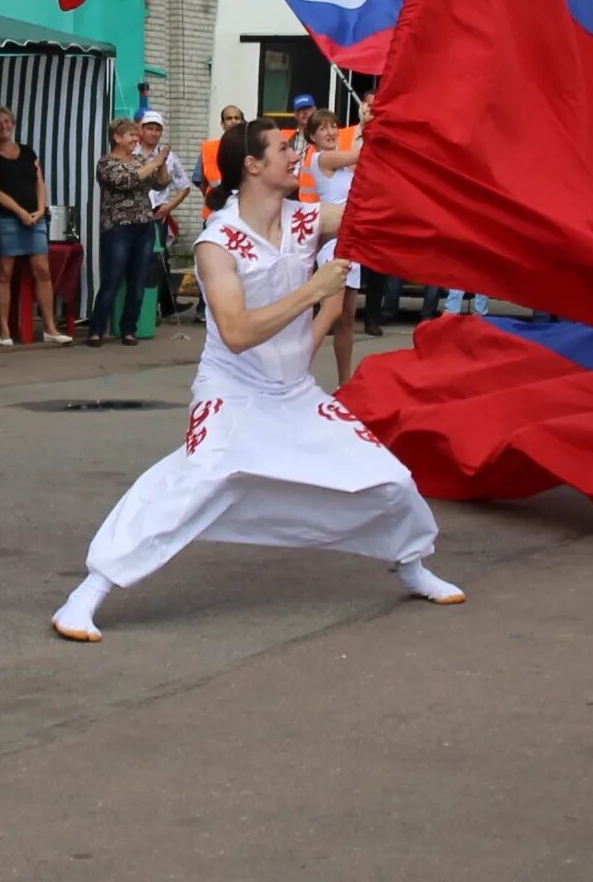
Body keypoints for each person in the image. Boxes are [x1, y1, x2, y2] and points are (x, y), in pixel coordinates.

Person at [50, 116, 464, 642]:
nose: (296, 156)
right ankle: (88, 593)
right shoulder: (216, 243)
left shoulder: (304, 220)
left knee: (391, 479)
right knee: (194, 482)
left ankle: (410, 564)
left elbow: (378, 217)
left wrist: (410, 161)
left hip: (295, 393)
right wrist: (314, 292)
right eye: (284, 149)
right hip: (232, 394)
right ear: (252, 165)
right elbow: (239, 332)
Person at [0, 106, 67, 345]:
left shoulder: (28, 152)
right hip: (7, 220)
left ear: (14, 124)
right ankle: (5, 330)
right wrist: (20, 212)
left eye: (7, 121)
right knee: (5, 273)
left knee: (43, 271)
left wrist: (40, 209)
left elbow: (40, 182)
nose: (3, 126)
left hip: (35, 219)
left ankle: (50, 328)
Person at [297, 110, 367, 382]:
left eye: (333, 126)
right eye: (322, 128)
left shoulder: (344, 164)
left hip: (353, 244)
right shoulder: (321, 159)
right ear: (312, 136)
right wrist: (368, 125)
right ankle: (295, 375)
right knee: (332, 311)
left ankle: (344, 382)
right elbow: (362, 154)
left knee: (346, 320)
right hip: (333, 245)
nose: (330, 132)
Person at [88, 116, 166, 346]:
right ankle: (97, 329)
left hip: (144, 226)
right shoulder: (106, 163)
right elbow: (126, 180)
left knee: (138, 281)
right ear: (117, 138)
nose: (136, 138)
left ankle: (129, 329)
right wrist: (153, 163)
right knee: (112, 279)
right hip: (118, 227)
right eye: (131, 135)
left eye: (136, 135)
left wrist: (161, 163)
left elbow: (160, 184)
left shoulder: (141, 159)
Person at [139, 109, 192, 324]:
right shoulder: (132, 153)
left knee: (156, 260)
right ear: (140, 130)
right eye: (149, 128)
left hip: (157, 212)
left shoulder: (169, 157)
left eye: (157, 130)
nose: (153, 133)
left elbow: (185, 185)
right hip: (133, 211)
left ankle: (155, 306)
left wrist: (169, 207)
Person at [199, 105, 246, 196]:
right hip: (217, 203)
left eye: (237, 118)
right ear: (222, 124)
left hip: (244, 203)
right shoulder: (209, 148)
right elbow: (201, 182)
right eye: (229, 118)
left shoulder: (251, 147)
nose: (233, 121)